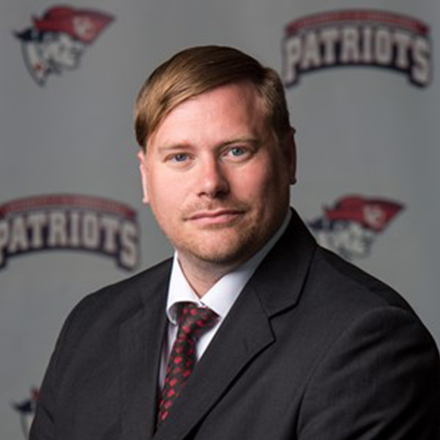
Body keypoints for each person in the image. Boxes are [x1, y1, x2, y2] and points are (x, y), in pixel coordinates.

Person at [30, 45, 440, 440]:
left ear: (288, 156)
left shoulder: (369, 338)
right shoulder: (91, 325)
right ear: (145, 176)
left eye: (236, 151)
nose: (210, 183)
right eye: (180, 157)